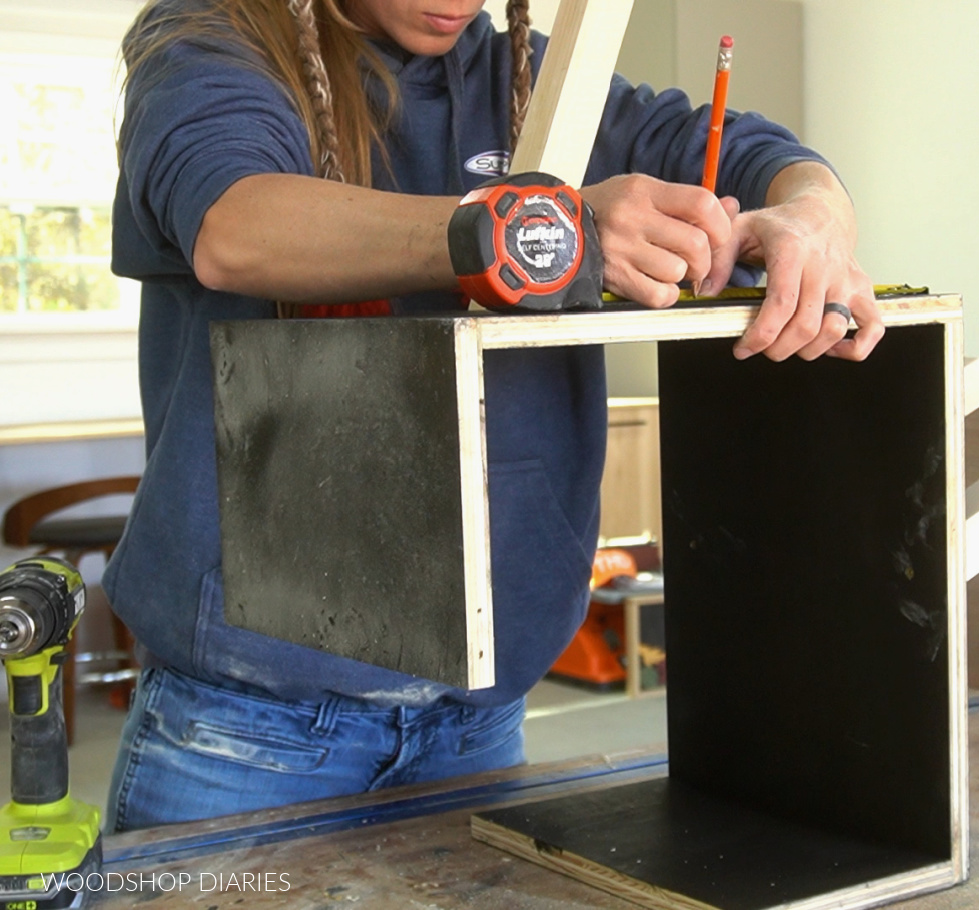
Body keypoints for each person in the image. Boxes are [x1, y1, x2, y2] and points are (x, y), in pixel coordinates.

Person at [104, 0, 884, 833]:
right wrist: (542, 228)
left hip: (479, 713)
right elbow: (236, 226)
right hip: (249, 724)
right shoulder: (213, 41)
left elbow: (765, 156)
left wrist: (815, 219)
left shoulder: (539, 80)